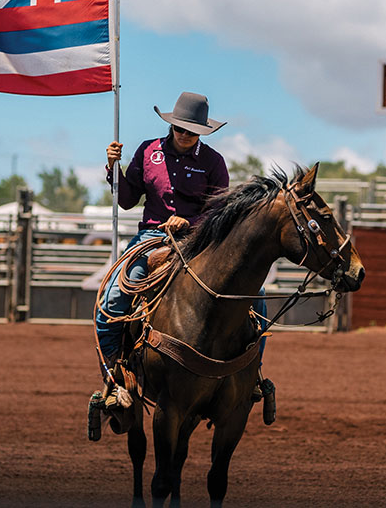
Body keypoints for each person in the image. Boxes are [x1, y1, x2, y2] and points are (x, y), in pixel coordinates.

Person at [88, 91, 273, 441]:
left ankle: (254, 377)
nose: (184, 135)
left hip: (201, 241)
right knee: (110, 303)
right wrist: (113, 168)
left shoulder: (214, 162)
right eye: (179, 128)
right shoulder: (148, 151)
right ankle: (114, 379)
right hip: (151, 238)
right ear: (171, 124)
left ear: (202, 131)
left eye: (191, 130)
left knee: (257, 297)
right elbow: (127, 200)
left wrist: (189, 224)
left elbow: (221, 213)